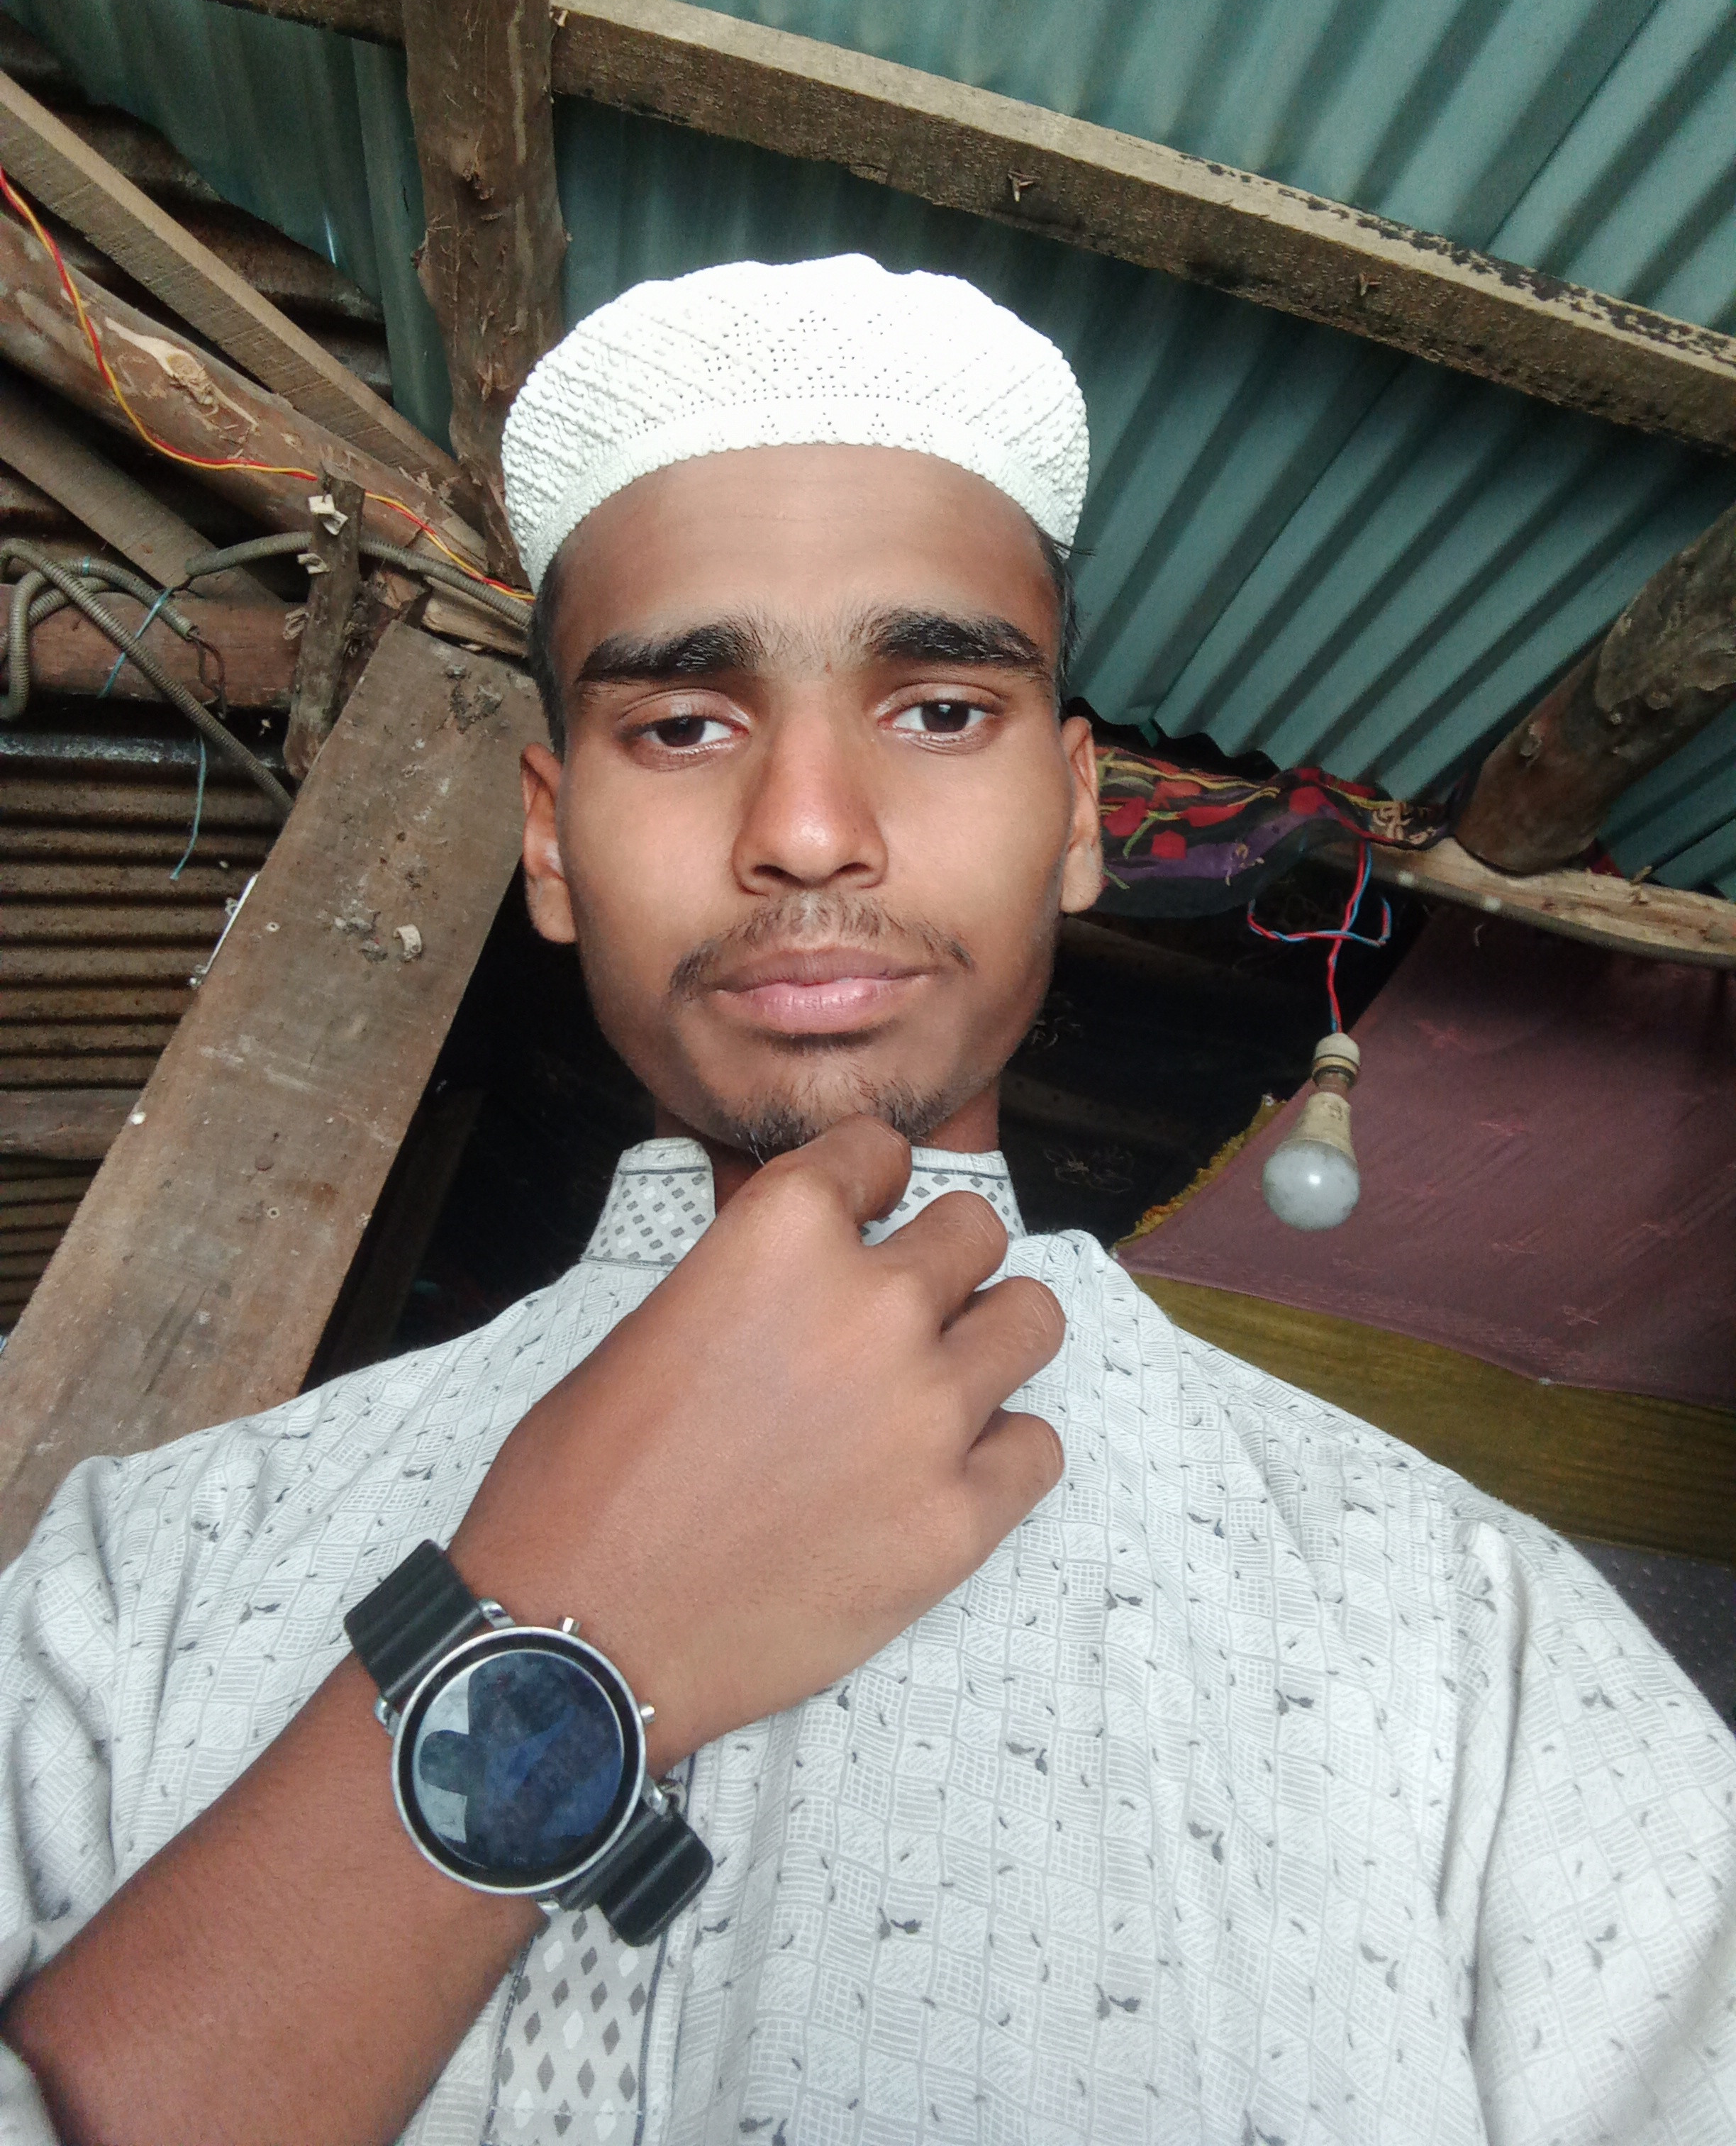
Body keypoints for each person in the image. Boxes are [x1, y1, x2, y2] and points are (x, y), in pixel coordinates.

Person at [1, 255, 1732, 2146]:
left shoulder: (1470, 1638)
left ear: (1077, 816)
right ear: (551, 843)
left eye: (940, 710)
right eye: (683, 724)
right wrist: (573, 1623)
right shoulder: (136, 1581)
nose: (809, 829)